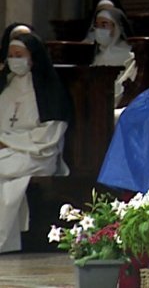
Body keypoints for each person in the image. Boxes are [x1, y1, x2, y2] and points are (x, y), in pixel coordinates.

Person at [0, 30, 72, 253]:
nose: (14, 60)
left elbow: (50, 133)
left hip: (38, 154)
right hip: (9, 150)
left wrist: (7, 142)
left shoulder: (47, 88)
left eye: (19, 54)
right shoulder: (7, 86)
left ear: (33, 57)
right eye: (10, 55)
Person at [91, 8, 136, 106]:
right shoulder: (98, 55)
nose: (99, 30)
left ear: (116, 27)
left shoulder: (128, 54)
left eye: (104, 25)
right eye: (97, 25)